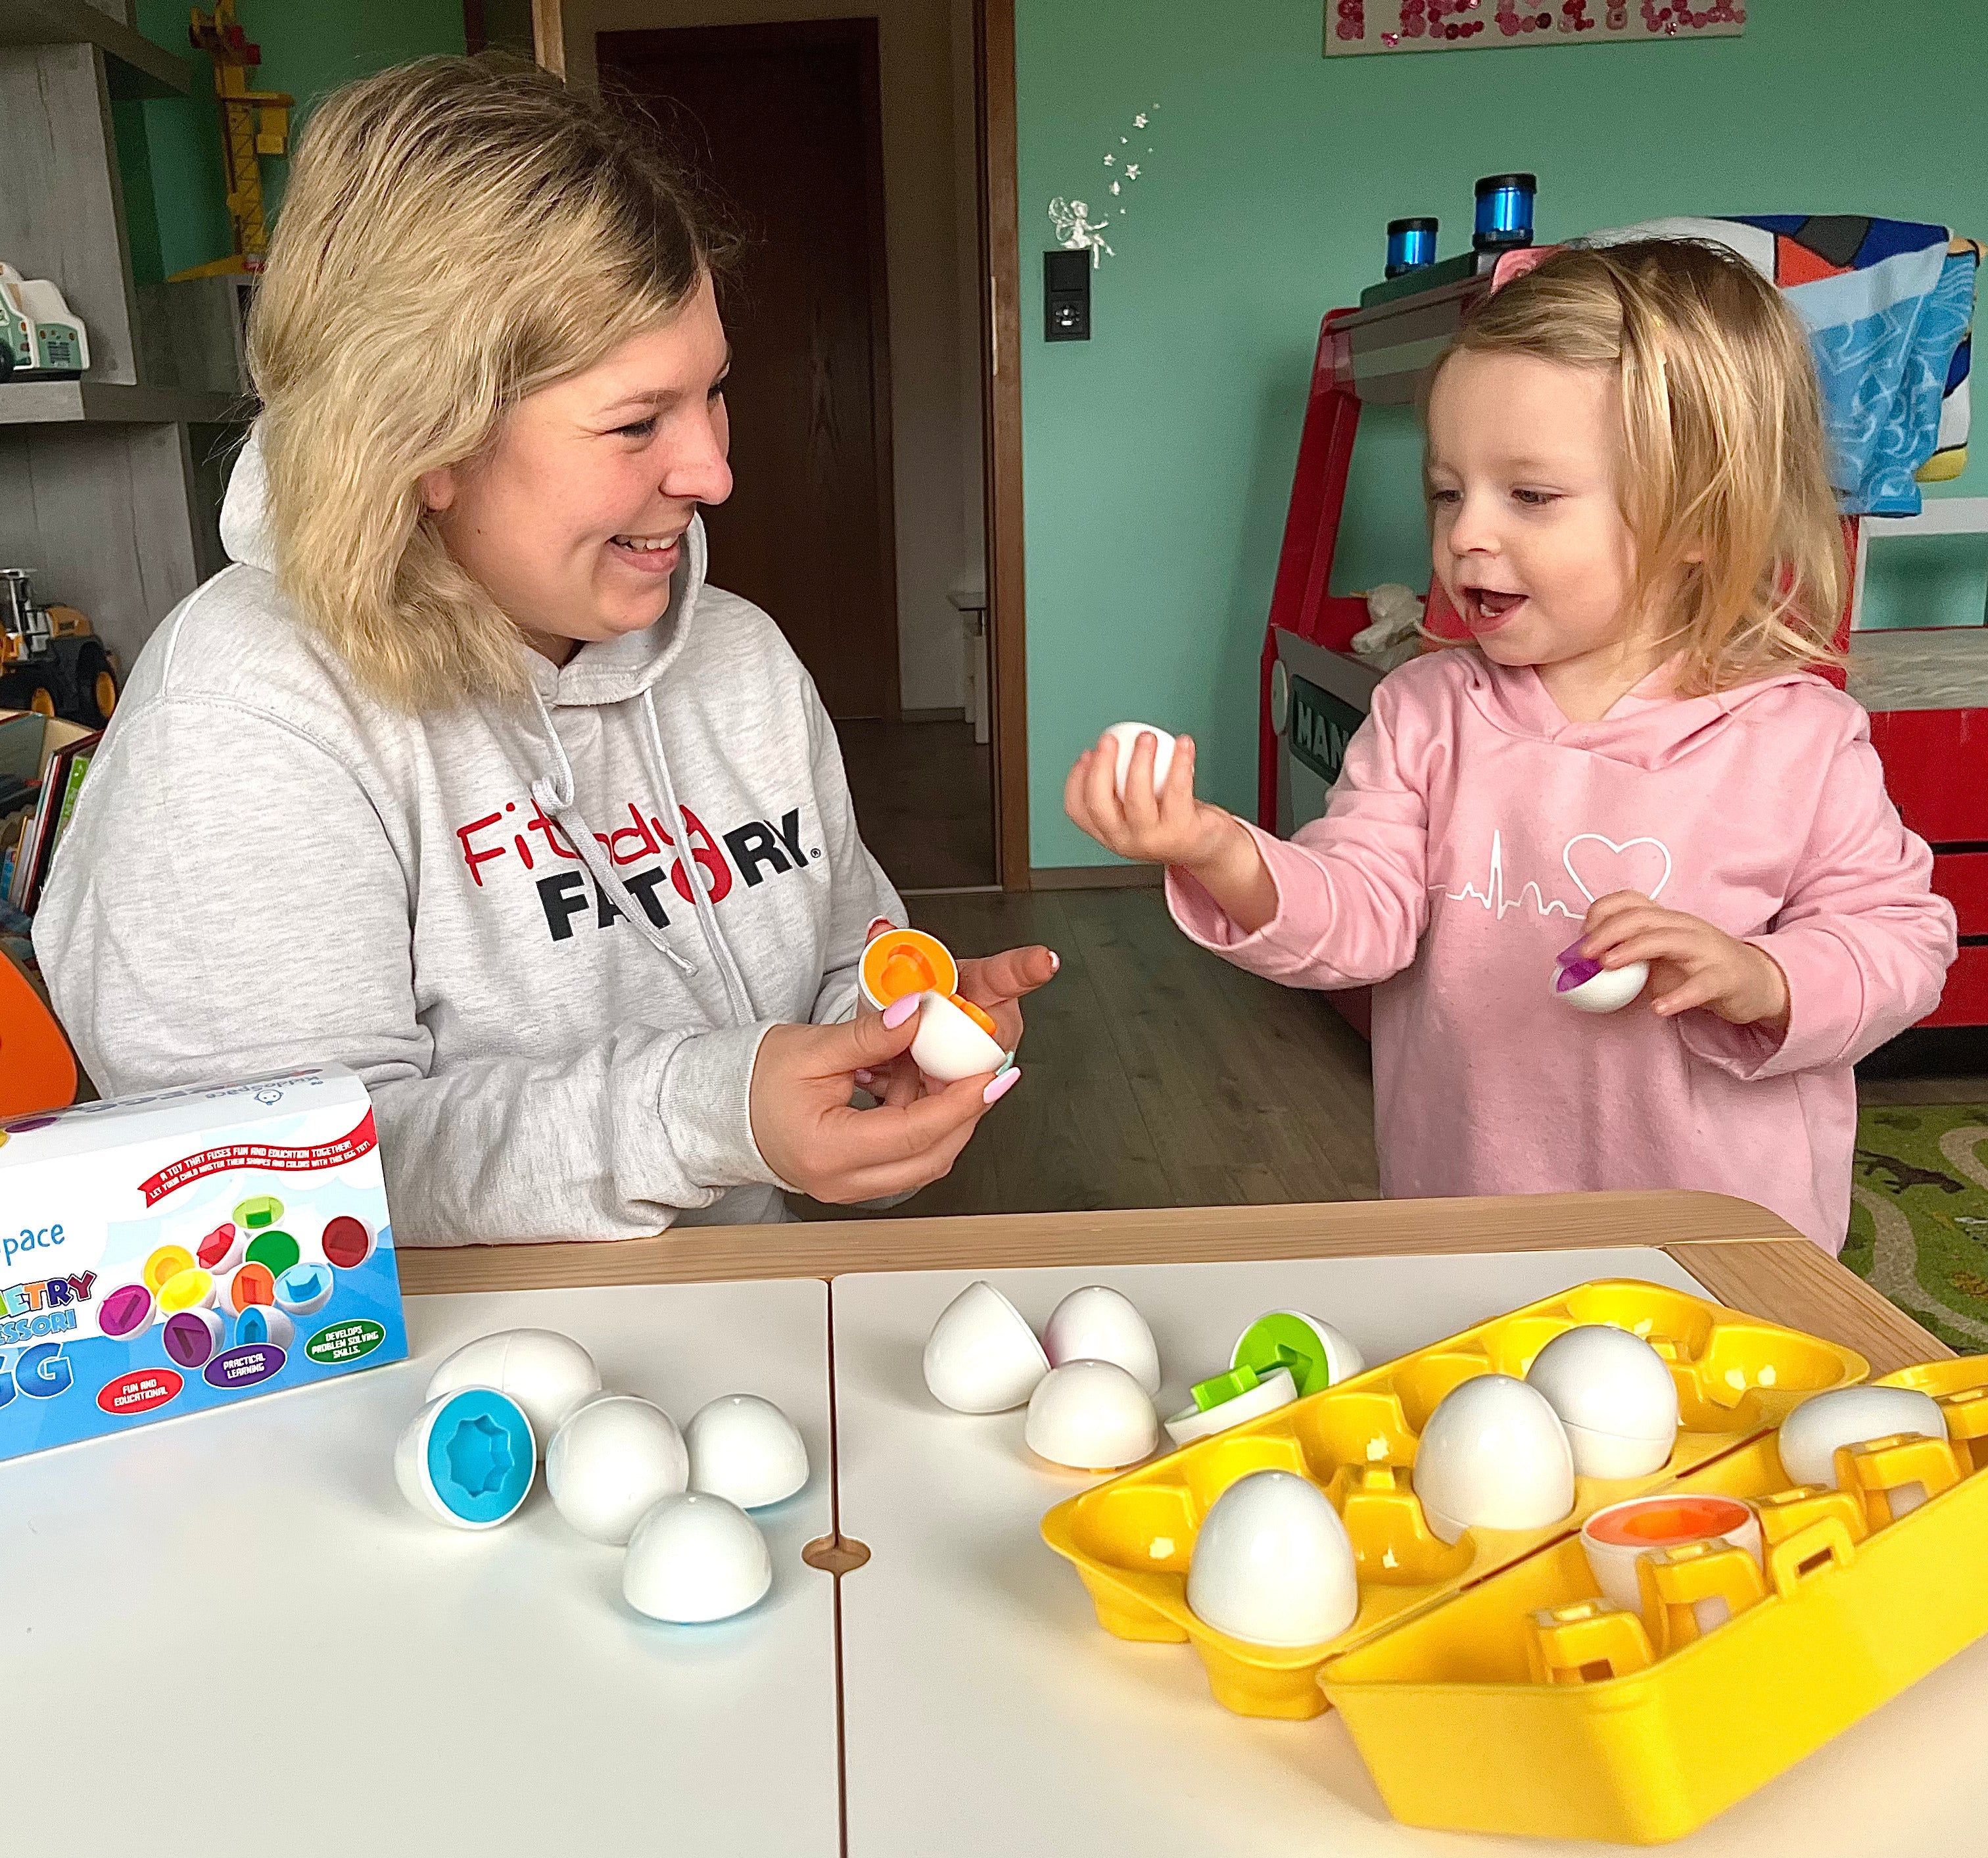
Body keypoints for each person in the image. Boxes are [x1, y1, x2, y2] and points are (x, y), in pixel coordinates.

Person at [36, 58, 1049, 1244]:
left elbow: (836, 948)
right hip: (418, 1398)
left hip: (733, 1345)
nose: (715, 472)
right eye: (635, 423)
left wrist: (891, 1028)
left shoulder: (743, 664)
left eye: (713, 393)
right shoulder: (243, 722)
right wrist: (714, 1113)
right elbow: (276, 1199)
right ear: (423, 438)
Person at [1067, 239, 1954, 1251]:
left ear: (1701, 514)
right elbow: (1362, 917)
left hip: (1724, 1249)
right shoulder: (1425, 713)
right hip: (1471, 1225)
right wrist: (1222, 850)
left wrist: (1769, 979)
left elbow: (1903, 943)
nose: (1467, 536)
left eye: (1529, 496)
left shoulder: (1797, 738)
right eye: (1449, 491)